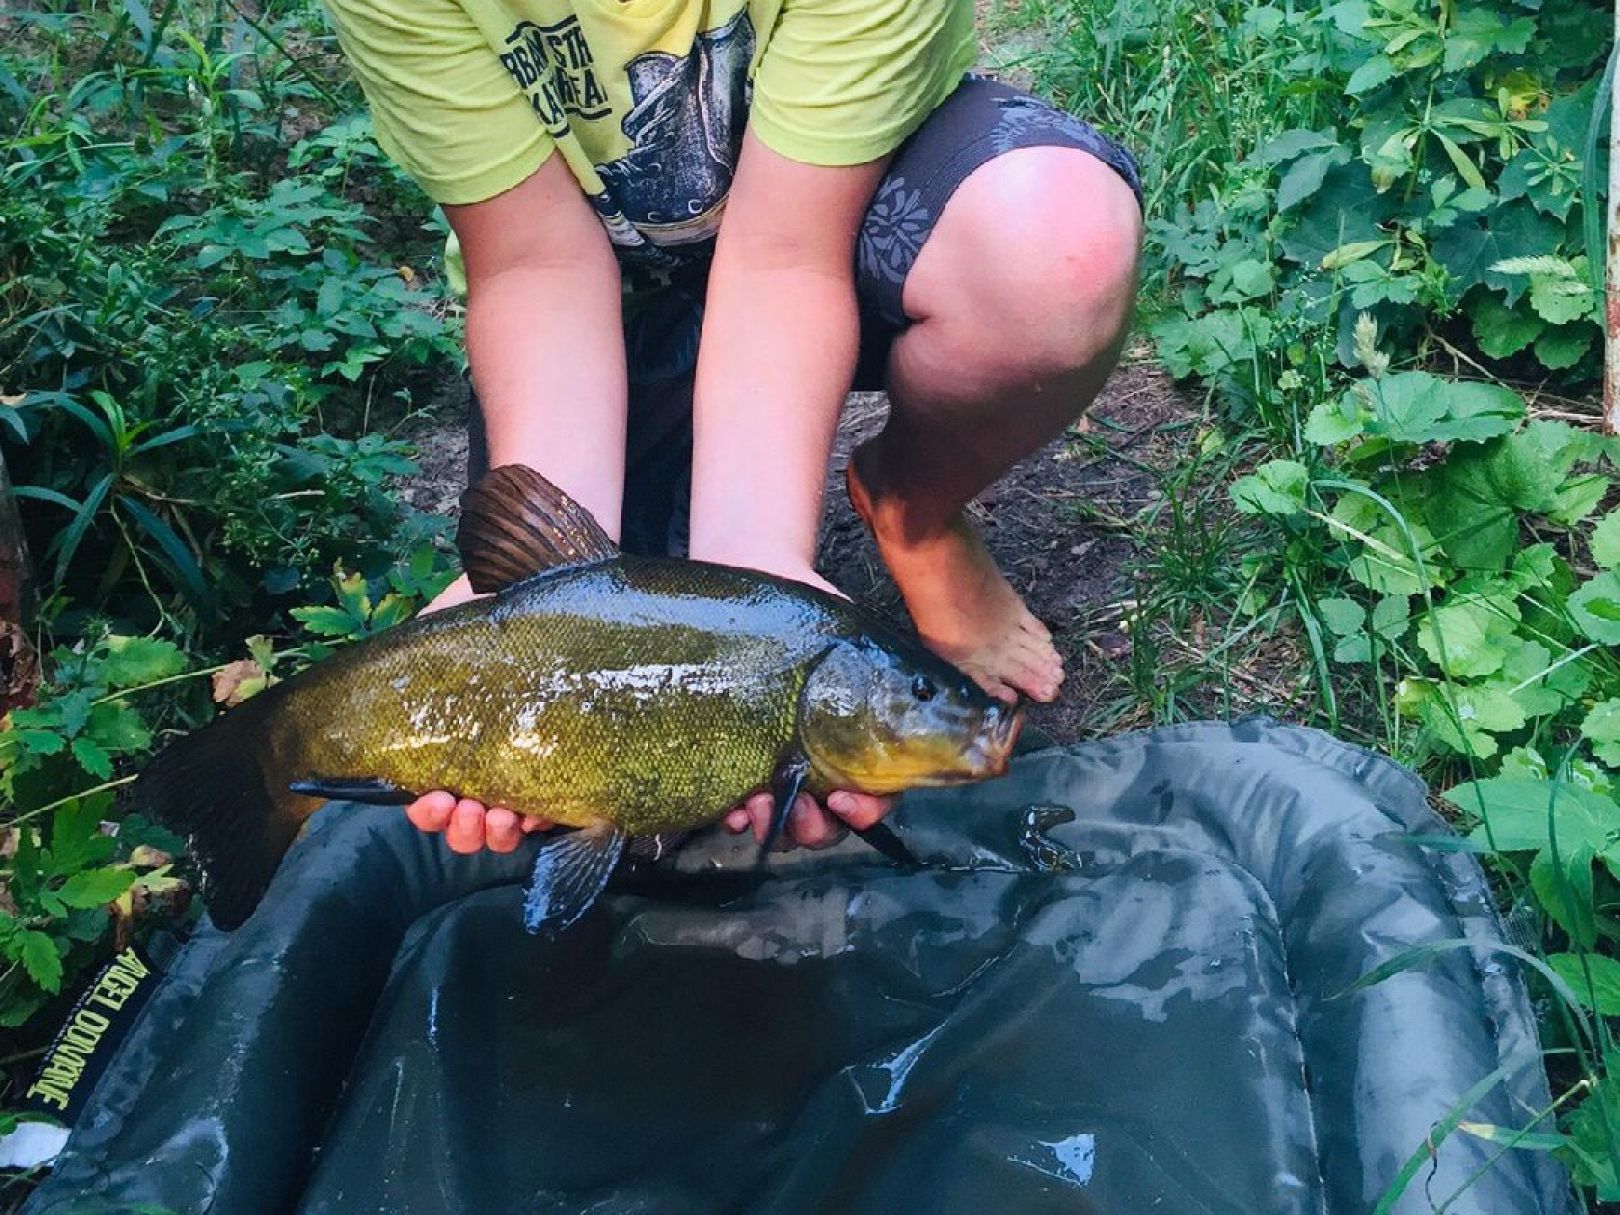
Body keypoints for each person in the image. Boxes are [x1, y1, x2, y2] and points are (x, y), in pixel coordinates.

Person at [320, 0, 1143, 855]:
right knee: (576, 759)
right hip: (590, 283)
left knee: (1055, 248)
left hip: (838, 217)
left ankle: (913, 510)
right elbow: (536, 266)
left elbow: (784, 256)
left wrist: (753, 567)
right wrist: (550, 578)